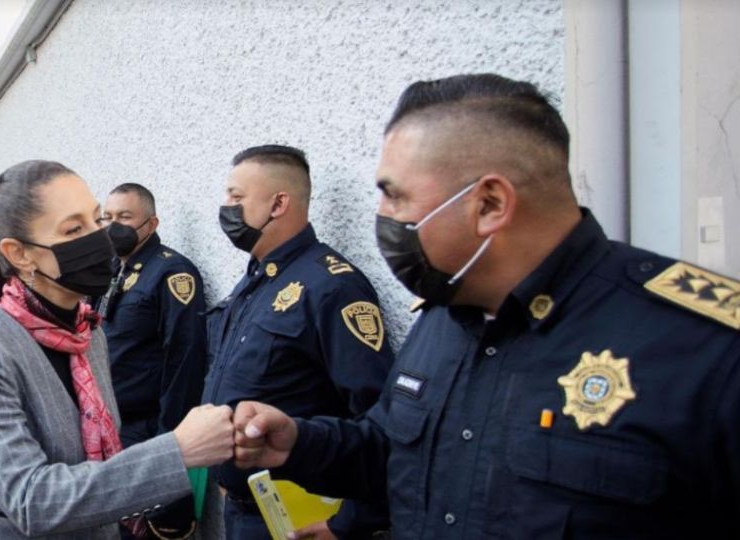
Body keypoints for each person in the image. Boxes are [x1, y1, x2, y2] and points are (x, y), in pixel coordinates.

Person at [233, 74, 740, 539]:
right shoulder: (443, 318)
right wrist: (299, 442)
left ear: (490, 204)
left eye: (395, 197)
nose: (383, 217)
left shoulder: (706, 350)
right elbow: (393, 452)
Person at [0, 160, 234, 539]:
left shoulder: (87, 332)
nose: (101, 237)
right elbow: (31, 499)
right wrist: (177, 451)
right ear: (20, 253)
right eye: (74, 228)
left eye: (97, 220)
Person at [204, 145, 395, 539]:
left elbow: (381, 420)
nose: (226, 207)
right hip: (244, 512)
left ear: (278, 204)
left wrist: (348, 525)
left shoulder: (332, 286)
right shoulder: (255, 282)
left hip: (301, 518)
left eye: (236, 197)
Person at [99, 183, 208, 538]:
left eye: (125, 217)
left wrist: (170, 443)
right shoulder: (113, 269)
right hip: (113, 427)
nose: (114, 226)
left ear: (152, 223)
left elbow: (185, 361)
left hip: (149, 432)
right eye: (108, 217)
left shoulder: (173, 273)